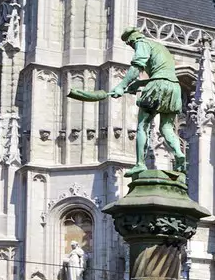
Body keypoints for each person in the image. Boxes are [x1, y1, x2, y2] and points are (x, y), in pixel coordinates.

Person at [68, 27, 186, 175]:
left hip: (157, 86)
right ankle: (179, 154)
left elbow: (136, 67)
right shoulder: (160, 48)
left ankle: (140, 164)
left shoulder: (141, 43)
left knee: (143, 125)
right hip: (174, 88)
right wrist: (139, 84)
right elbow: (163, 73)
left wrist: (121, 86)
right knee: (167, 128)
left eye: (130, 44)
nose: (132, 47)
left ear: (133, 39)